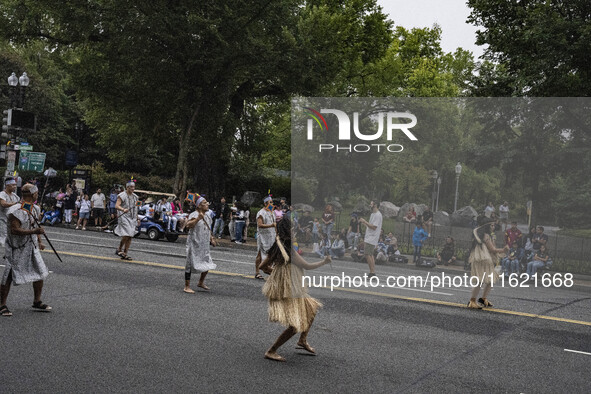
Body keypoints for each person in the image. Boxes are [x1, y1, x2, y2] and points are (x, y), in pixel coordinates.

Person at [259, 217, 331, 362]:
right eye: (293, 228)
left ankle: (302, 340)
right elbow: (307, 266)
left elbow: (263, 267)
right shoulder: (288, 249)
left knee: (312, 308)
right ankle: (271, 350)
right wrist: (324, 261)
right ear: (288, 230)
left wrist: (277, 275)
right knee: (295, 324)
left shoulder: (277, 245)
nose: (295, 231)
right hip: (290, 290)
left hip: (290, 288)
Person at [0, 183, 51, 316]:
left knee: (40, 271)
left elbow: (35, 224)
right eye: (36, 193)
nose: (37, 195)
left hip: (31, 246)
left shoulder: (35, 209)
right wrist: (34, 231)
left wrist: (39, 240)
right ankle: (1, 305)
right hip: (16, 247)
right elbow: (14, 230)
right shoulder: (16, 210)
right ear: (33, 194)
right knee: (9, 274)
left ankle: (37, 301)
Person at [467, 219, 509, 309]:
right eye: (492, 225)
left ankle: (483, 299)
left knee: (490, 280)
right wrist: (504, 250)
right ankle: (472, 301)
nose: (493, 227)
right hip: (483, 260)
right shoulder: (485, 236)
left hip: (482, 260)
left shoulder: (481, 235)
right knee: (480, 281)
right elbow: (492, 249)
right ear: (487, 226)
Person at [184, 195, 217, 293]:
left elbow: (208, 229)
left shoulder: (207, 216)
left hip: (204, 244)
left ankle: (201, 282)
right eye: (204, 203)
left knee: (207, 263)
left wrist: (212, 239)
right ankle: (187, 286)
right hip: (194, 244)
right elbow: (188, 225)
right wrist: (198, 218)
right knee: (189, 264)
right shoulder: (194, 215)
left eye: (207, 202)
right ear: (199, 206)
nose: (207, 204)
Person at [114, 181, 140, 260]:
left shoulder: (136, 197)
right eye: (131, 187)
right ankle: (119, 248)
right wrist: (123, 209)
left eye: (133, 187)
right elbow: (117, 206)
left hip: (133, 218)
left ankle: (125, 252)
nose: (133, 189)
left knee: (130, 236)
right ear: (127, 187)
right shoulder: (121, 196)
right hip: (124, 217)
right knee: (126, 234)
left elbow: (136, 208)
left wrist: (137, 218)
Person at [359, 200, 382, 277]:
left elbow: (374, 227)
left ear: (375, 205)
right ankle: (372, 271)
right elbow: (370, 225)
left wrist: (365, 222)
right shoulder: (373, 214)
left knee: (367, 254)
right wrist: (365, 224)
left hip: (372, 237)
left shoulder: (378, 215)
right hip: (369, 236)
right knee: (370, 254)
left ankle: (372, 272)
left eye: (371, 204)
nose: (370, 205)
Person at [255, 196, 276, 279]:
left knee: (270, 255)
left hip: (271, 236)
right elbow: (260, 225)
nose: (272, 204)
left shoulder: (272, 212)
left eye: (272, 202)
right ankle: (257, 272)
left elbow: (274, 224)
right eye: (270, 202)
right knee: (260, 255)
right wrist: (271, 225)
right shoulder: (261, 213)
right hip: (263, 237)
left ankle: (269, 270)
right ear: (265, 203)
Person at [0, 178, 20, 255]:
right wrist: (16, 204)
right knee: (4, 237)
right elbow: (3, 204)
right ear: (7, 185)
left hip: (11, 220)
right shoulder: (2, 194)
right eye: (13, 185)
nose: (15, 187)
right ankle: (6, 255)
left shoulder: (15, 196)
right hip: (2, 219)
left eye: (15, 185)